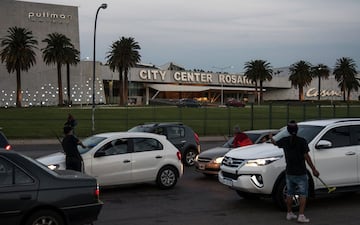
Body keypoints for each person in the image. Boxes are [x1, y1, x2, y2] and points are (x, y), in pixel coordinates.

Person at [269, 120, 319, 223]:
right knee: (303, 194)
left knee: (290, 193)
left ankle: (289, 213)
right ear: (297, 129)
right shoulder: (302, 141)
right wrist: (313, 169)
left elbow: (275, 143)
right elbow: (306, 157)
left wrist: (270, 137)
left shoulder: (285, 140)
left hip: (289, 172)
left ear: (287, 130)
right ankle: (301, 215)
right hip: (300, 172)